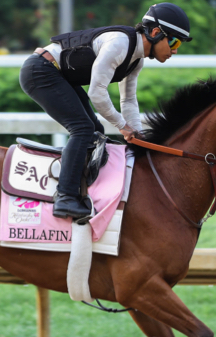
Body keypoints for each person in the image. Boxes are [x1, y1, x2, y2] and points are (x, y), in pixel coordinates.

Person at [19, 3, 192, 219]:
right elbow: (96, 92)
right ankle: (65, 197)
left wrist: (138, 136)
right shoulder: (119, 44)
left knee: (96, 130)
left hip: (58, 75)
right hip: (40, 71)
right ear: (156, 33)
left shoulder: (136, 61)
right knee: (82, 129)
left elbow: (128, 100)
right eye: (174, 41)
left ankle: (85, 190)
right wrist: (123, 127)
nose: (175, 50)